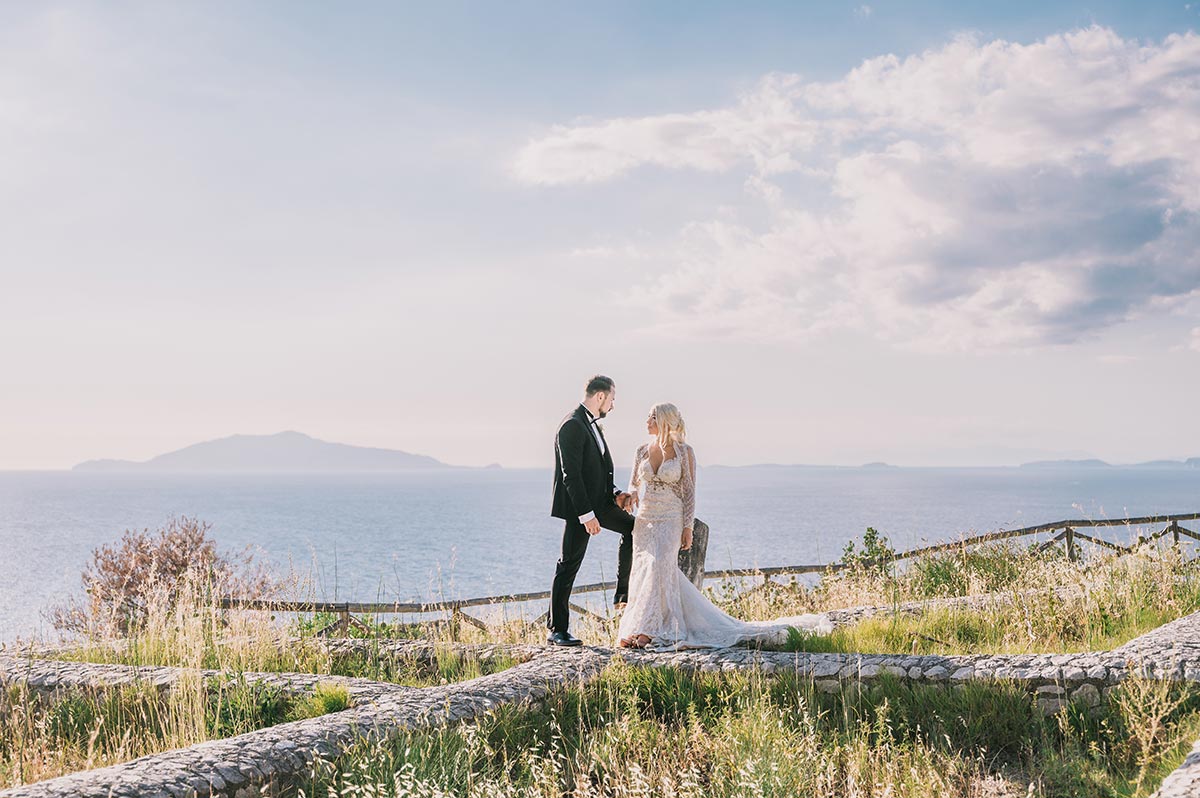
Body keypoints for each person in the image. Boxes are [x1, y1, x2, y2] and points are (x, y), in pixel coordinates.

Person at [617, 403, 830, 649]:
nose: (646, 420)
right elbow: (634, 483)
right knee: (645, 569)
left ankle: (652, 630)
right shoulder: (641, 450)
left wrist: (687, 527)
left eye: (652, 416)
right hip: (646, 518)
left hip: (670, 517)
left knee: (660, 566)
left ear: (664, 421)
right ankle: (637, 626)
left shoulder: (685, 452)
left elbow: (689, 493)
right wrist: (631, 496)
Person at [547, 375, 637, 647]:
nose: (612, 405)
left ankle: (623, 598)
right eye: (612, 399)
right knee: (568, 565)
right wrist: (586, 516)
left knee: (634, 529)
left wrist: (615, 494)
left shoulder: (590, 424)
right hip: (581, 508)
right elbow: (571, 476)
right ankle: (557, 630)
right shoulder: (572, 425)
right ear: (601, 396)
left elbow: (595, 471)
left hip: (601, 503)